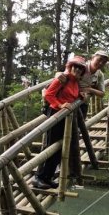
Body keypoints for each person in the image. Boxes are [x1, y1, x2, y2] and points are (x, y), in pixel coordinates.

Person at [32, 56, 87, 189]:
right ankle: (38, 177)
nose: (78, 70)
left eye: (80, 68)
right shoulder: (63, 78)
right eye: (76, 66)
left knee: (59, 148)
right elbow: (48, 95)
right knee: (50, 146)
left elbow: (72, 95)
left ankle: (48, 177)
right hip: (55, 114)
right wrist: (60, 105)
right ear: (70, 66)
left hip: (65, 118)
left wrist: (81, 96)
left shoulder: (75, 82)